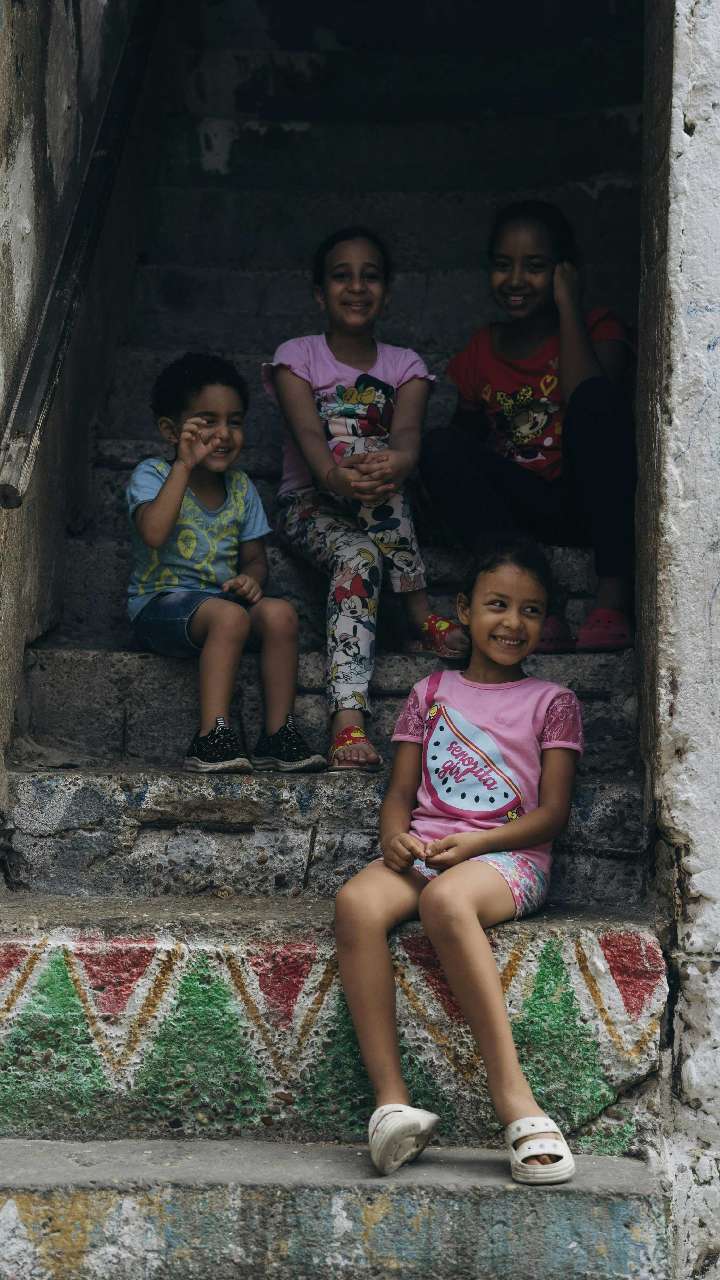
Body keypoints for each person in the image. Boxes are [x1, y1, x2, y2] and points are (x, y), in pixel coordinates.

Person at [335, 536, 583, 1183]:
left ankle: (515, 1101)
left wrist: (474, 844)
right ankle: (391, 1105)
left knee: (446, 901)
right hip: (427, 849)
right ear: (464, 611)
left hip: (509, 857)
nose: (513, 622)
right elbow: (399, 795)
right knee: (356, 903)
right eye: (498, 605)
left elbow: (552, 814)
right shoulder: (431, 692)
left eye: (531, 611)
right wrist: (395, 837)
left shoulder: (553, 702)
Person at [263, 226, 467, 772]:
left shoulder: (404, 366)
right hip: (309, 505)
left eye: (370, 276)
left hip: (380, 495)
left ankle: (412, 620)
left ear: (387, 291)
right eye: (341, 276)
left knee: (378, 470)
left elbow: (408, 439)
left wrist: (395, 462)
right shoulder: (297, 357)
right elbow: (309, 435)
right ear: (319, 293)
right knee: (358, 547)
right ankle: (350, 715)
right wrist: (334, 476)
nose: (356, 287)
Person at [420, 200, 636, 653]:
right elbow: (461, 449)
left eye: (535, 267)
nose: (515, 280)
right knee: (439, 446)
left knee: (597, 399)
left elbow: (591, 402)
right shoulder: (482, 349)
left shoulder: (598, 328)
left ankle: (612, 600)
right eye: (503, 265)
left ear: (563, 270)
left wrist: (568, 305)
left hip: (591, 499)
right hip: (522, 513)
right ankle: (537, 601)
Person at [126, 352, 325, 773]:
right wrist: (184, 465)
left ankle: (277, 733)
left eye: (234, 421)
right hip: (159, 607)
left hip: (221, 609)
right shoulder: (152, 475)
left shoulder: (241, 487)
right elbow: (154, 533)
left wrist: (251, 580)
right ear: (171, 430)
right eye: (207, 421)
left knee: (281, 614)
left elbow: (255, 560)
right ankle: (211, 737)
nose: (223, 434)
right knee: (230, 617)